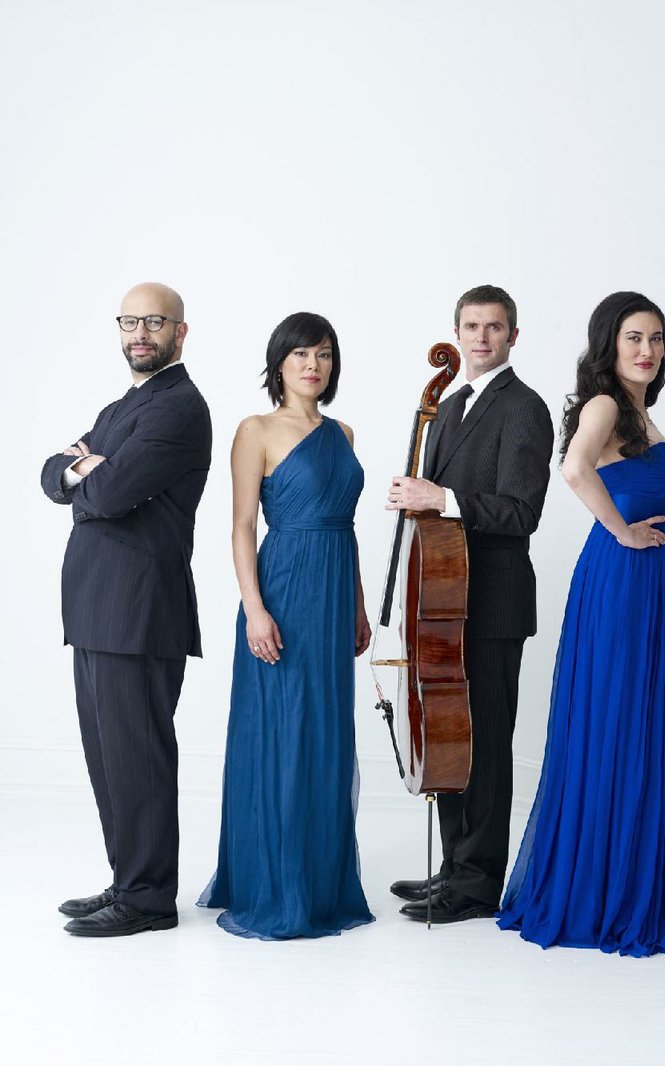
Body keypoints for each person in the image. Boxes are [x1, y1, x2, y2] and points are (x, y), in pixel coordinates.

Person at [497, 291, 665, 957]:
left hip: (651, 582)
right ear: (610, 343)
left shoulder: (638, 412)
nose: (647, 349)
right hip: (622, 575)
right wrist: (623, 533)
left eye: (657, 338)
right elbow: (573, 468)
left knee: (637, 720)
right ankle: (598, 889)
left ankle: (622, 880)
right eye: (635, 337)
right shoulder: (606, 404)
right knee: (616, 717)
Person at [40, 282, 212, 937]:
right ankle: (126, 881)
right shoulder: (123, 407)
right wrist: (81, 468)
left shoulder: (179, 407)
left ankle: (146, 899)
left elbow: (108, 493)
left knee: (137, 757)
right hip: (96, 610)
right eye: (131, 321)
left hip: (137, 611)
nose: (141, 333)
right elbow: (52, 470)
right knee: (108, 758)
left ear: (180, 331)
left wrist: (87, 474)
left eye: (155, 322)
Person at [198, 311, 374, 940]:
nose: (313, 365)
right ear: (279, 363)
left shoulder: (344, 433)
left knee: (325, 730)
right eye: (301, 354)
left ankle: (320, 882)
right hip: (284, 586)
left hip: (332, 593)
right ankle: (273, 883)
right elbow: (243, 526)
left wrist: (357, 606)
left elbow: (347, 529)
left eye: (324, 354)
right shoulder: (256, 430)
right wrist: (254, 608)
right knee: (282, 727)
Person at [387, 284, 554, 923]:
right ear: (457, 335)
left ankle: (479, 882)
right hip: (445, 597)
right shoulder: (450, 406)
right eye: (471, 326)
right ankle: (456, 866)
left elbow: (520, 512)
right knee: (451, 732)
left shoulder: (525, 408)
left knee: (485, 739)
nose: (481, 337)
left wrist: (442, 498)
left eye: (494, 327)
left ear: (513, 336)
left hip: (492, 602)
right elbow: (434, 508)